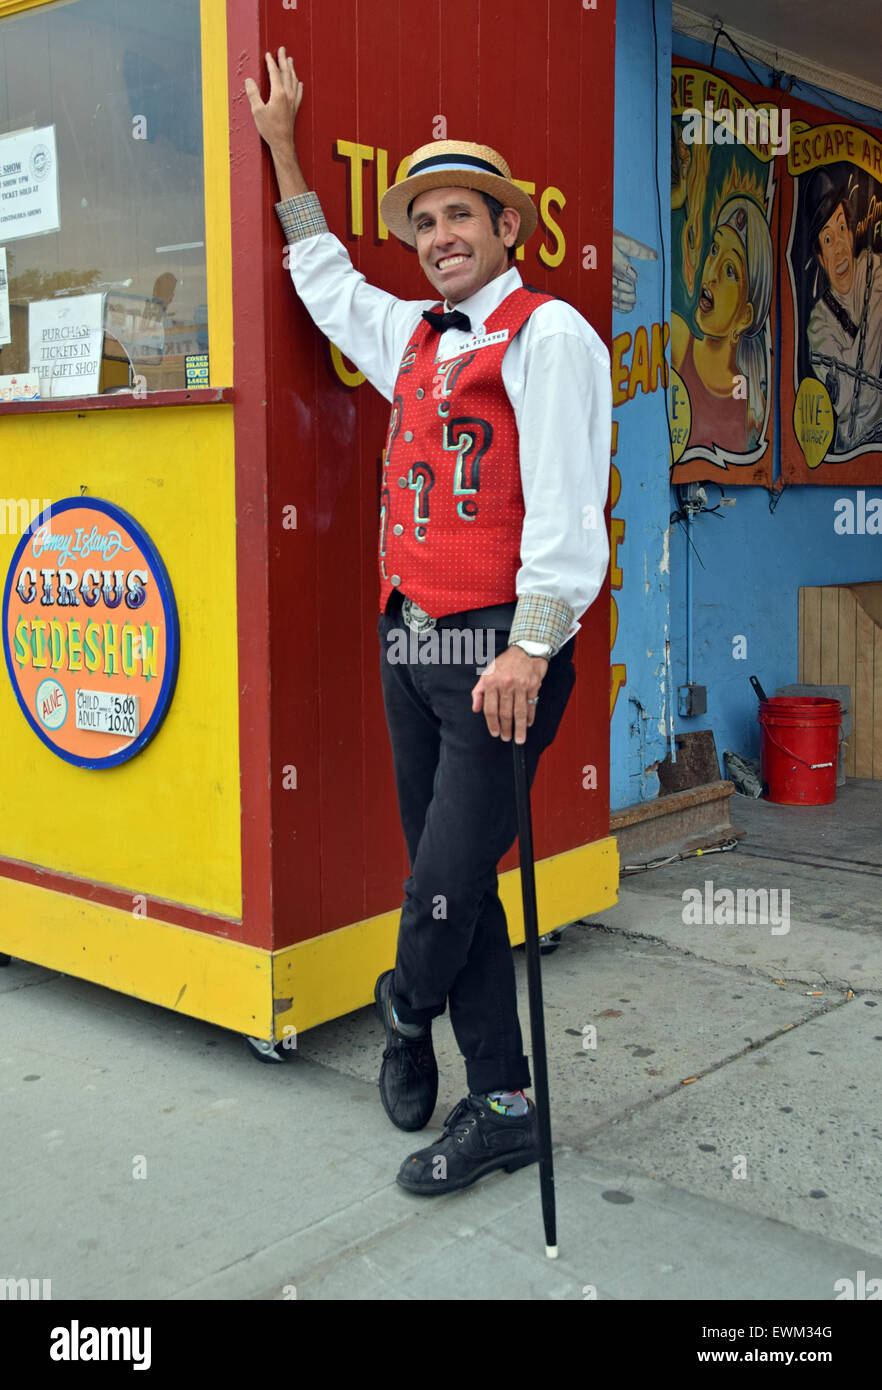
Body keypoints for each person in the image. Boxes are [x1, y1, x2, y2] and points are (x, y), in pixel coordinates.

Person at [245, 49, 611, 1195]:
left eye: (464, 215)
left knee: (441, 885)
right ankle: (502, 1099)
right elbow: (321, 277)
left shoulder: (551, 337)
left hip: (505, 648)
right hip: (412, 639)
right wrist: (284, 148)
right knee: (460, 878)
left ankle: (402, 1008)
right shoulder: (407, 332)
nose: (442, 234)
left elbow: (568, 509)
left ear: (509, 228)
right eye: (426, 221)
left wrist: (531, 645)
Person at [672, 195, 773, 455]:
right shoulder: (679, 342)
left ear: (745, 318)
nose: (712, 272)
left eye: (730, 271)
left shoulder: (753, 408)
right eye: (714, 250)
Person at [804, 170, 882, 452]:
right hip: (852, 450)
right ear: (821, 259)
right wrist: (875, 308)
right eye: (827, 239)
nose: (838, 248)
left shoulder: (873, 271)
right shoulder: (819, 323)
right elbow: (850, 396)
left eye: (840, 230)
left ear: (851, 234)